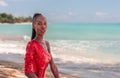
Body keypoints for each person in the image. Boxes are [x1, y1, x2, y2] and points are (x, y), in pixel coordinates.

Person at [24, 13, 59, 78]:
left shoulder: (47, 44)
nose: (43, 26)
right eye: (39, 24)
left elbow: (53, 66)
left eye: (45, 24)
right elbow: (28, 71)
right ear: (34, 26)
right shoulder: (31, 45)